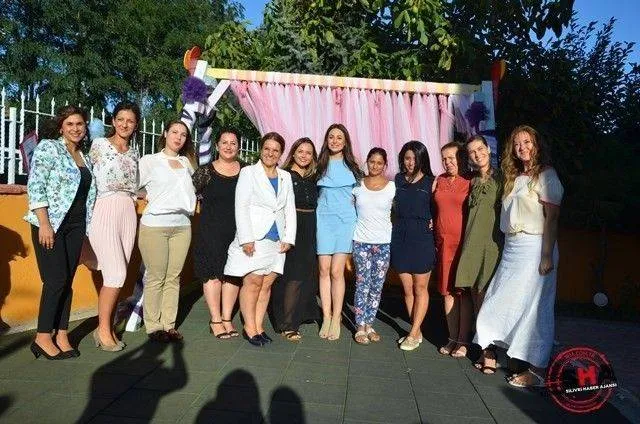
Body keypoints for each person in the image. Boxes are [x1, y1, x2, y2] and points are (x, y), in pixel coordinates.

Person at [474, 125, 563, 387]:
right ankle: (496, 351)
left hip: (535, 247)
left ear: (537, 145)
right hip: (513, 248)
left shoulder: (546, 175)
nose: (521, 147)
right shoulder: (514, 177)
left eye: (527, 142)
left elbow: (552, 219)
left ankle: (537, 371)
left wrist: (546, 256)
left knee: (536, 309)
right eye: (516, 143)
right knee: (498, 301)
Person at [24, 105, 97, 359]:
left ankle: (62, 333)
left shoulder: (84, 156)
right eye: (70, 124)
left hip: (77, 226)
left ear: (85, 127)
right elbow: (36, 185)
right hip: (51, 224)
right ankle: (43, 336)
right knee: (55, 280)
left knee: (67, 280)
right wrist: (44, 223)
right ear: (61, 128)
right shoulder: (49, 148)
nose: (75, 129)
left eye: (80, 124)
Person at [224, 132, 296, 347]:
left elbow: (289, 208)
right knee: (253, 282)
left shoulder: (285, 176)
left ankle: (259, 326)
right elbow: (241, 206)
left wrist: (289, 237)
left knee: (266, 284)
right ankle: (249, 328)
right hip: (255, 237)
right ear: (261, 149)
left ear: (281, 154)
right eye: (267, 148)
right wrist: (246, 238)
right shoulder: (248, 173)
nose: (270, 153)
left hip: (277, 239)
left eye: (275, 150)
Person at [87, 102, 140, 351]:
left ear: (136, 125)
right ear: (113, 121)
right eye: (120, 119)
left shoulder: (134, 152)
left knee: (118, 273)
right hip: (105, 208)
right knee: (115, 274)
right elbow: (87, 179)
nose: (124, 124)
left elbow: (136, 185)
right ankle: (103, 330)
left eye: (130, 120)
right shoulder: (99, 145)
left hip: (128, 211)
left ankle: (105, 327)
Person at [138, 120, 197, 342]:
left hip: (182, 226)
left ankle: (168, 325)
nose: (178, 137)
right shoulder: (150, 161)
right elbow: (132, 185)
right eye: (174, 132)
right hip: (155, 226)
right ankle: (154, 327)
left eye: (183, 134)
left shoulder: (187, 163)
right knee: (156, 277)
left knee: (173, 277)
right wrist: (147, 196)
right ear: (165, 134)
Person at [453, 135, 503, 368]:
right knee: (474, 294)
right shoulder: (470, 180)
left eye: (480, 149)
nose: (477, 154)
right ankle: (480, 345)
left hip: (491, 245)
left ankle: (490, 351)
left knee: (486, 297)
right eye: (472, 152)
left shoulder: (503, 178)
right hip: (471, 243)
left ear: (488, 149)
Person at [192, 128, 243, 339]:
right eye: (224, 142)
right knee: (212, 276)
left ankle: (227, 318)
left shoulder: (247, 171)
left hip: (238, 232)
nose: (228, 147)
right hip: (210, 232)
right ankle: (215, 320)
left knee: (232, 276)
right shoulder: (205, 172)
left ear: (238, 146)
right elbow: (186, 194)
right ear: (217, 145)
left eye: (233, 143)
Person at [316, 124, 363, 341]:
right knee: (323, 270)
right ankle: (326, 316)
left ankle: (337, 317)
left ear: (345, 142)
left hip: (345, 222)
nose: (335, 141)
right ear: (326, 140)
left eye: (339, 138)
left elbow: (362, 197)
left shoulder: (353, 167)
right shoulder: (319, 165)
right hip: (323, 221)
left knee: (337, 271)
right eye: (331, 137)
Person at [271, 137, 320, 342]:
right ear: (293, 153)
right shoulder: (284, 175)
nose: (304, 156)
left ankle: (298, 315)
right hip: (292, 227)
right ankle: (287, 324)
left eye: (308, 152)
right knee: (291, 275)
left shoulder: (314, 177)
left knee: (304, 275)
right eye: (300, 151)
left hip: (310, 227)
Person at [391, 141, 435, 351]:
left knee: (420, 288)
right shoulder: (398, 180)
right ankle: (416, 332)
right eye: (407, 158)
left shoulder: (431, 182)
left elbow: (440, 209)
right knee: (407, 289)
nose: (411, 162)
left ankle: (413, 332)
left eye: (415, 159)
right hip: (400, 237)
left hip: (422, 239)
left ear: (422, 160)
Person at [351, 148, 395, 345]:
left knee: (377, 286)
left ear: (385, 165)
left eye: (379, 163)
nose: (375, 166)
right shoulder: (357, 186)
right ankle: (360, 326)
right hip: (361, 242)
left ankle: (370, 324)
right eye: (372, 162)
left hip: (383, 243)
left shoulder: (392, 187)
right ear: (367, 162)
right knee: (362, 284)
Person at [432, 142, 471, 356]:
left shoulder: (470, 181)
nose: (447, 162)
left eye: (451, 158)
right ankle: (452, 338)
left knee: (462, 293)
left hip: (463, 245)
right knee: (447, 292)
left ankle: (463, 341)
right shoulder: (439, 180)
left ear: (461, 158)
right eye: (444, 159)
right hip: (444, 244)